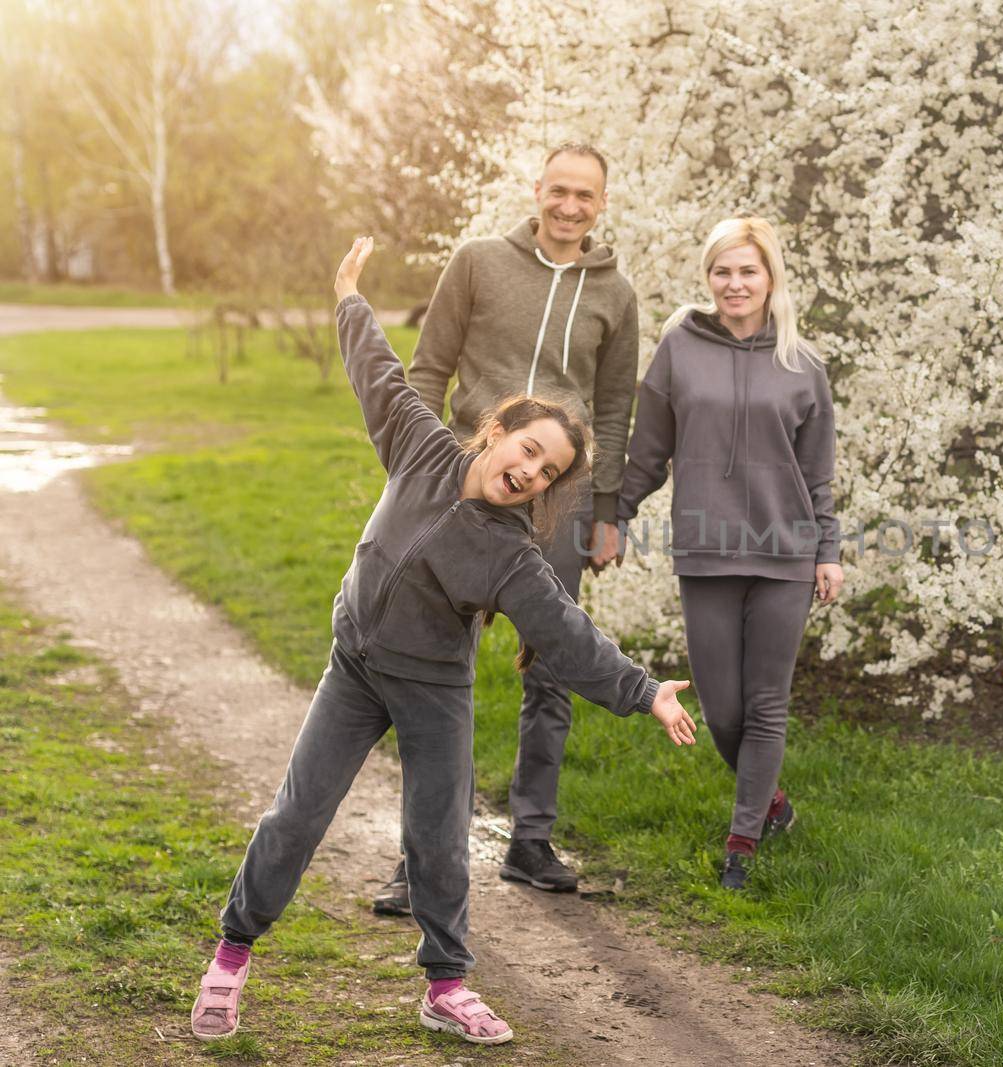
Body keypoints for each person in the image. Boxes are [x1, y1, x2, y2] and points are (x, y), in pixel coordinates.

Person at [189, 236, 696, 1046]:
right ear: (498, 431)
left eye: (547, 473)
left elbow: (567, 633)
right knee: (296, 815)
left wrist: (642, 689)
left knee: (439, 838)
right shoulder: (420, 444)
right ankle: (231, 955)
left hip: (433, 689)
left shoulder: (511, 553)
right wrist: (348, 292)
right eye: (528, 449)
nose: (531, 473)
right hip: (356, 668)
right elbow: (378, 370)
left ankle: (446, 985)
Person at [370, 142, 639, 911]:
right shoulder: (479, 262)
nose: (569, 206)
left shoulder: (615, 293)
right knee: (434, 665)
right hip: (466, 480)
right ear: (537, 191)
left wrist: (608, 508)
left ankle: (531, 839)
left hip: (559, 498)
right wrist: (413, 460)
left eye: (584, 195)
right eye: (558, 191)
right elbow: (426, 366)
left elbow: (616, 407)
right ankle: (419, 862)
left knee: (551, 660)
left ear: (601, 204)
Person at [616, 215, 843, 890]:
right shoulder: (680, 346)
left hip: (786, 553)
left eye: (748, 270)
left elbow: (818, 474)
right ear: (708, 277)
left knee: (767, 702)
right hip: (707, 549)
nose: (734, 283)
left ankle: (741, 841)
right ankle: (772, 802)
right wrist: (617, 513)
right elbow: (648, 447)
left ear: (770, 277)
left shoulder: (804, 365)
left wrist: (827, 549)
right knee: (722, 706)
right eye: (723, 271)